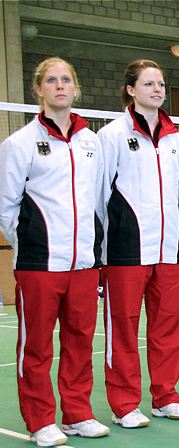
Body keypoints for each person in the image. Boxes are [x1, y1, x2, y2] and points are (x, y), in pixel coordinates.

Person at [0, 57, 109, 446]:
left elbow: (97, 199)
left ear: (76, 88)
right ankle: (40, 419)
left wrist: (92, 250)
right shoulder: (19, 144)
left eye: (66, 79)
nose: (60, 86)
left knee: (80, 341)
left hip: (84, 264)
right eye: (51, 80)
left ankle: (78, 413)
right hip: (39, 264)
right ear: (39, 90)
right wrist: (33, 243)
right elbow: (6, 206)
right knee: (37, 346)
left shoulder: (91, 142)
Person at [97, 59, 179, 429]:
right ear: (131, 90)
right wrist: (103, 246)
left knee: (168, 324)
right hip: (125, 249)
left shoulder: (174, 137)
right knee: (123, 327)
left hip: (167, 249)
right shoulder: (112, 135)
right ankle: (124, 404)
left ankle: (165, 396)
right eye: (149, 83)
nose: (157, 89)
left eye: (161, 84)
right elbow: (98, 195)